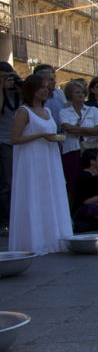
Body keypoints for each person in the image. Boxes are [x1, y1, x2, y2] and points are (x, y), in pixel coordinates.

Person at [8, 73, 72, 253]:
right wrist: (41, 136)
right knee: (34, 196)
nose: (46, 90)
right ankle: (35, 240)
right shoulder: (24, 111)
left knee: (49, 196)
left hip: (49, 160)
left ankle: (53, 237)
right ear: (32, 89)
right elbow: (14, 139)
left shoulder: (48, 111)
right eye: (42, 87)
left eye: (46, 87)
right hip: (31, 160)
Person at [59, 80, 98, 202]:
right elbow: (66, 127)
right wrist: (89, 130)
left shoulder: (93, 110)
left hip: (90, 152)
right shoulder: (64, 112)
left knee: (92, 180)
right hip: (71, 151)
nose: (81, 94)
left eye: (82, 92)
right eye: (77, 92)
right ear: (70, 95)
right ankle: (70, 214)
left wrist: (77, 130)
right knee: (71, 183)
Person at [0, 64, 18, 236]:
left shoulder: (16, 93)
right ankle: (4, 223)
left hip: (20, 143)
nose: (8, 80)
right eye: (3, 76)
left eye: (10, 76)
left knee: (17, 183)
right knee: (7, 184)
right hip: (4, 142)